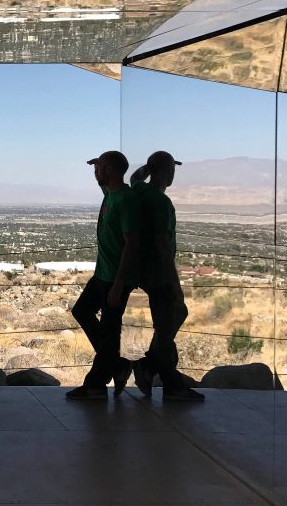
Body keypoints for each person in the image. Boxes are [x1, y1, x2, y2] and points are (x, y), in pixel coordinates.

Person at [130, 151, 204, 401]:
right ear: (167, 171)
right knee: (167, 324)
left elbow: (135, 176)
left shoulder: (139, 190)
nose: (173, 173)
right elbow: (164, 246)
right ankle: (169, 383)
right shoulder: (162, 203)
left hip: (143, 270)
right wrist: (175, 283)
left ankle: (150, 367)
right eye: (171, 168)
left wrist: (148, 167)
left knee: (173, 318)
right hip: (158, 273)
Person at [67, 151, 139, 401]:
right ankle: (117, 365)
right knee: (82, 312)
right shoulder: (110, 194)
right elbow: (131, 175)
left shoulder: (125, 200)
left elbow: (132, 243)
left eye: (98, 169)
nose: (95, 173)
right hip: (103, 274)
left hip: (116, 278)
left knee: (109, 330)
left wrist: (120, 284)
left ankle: (96, 384)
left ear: (109, 170)